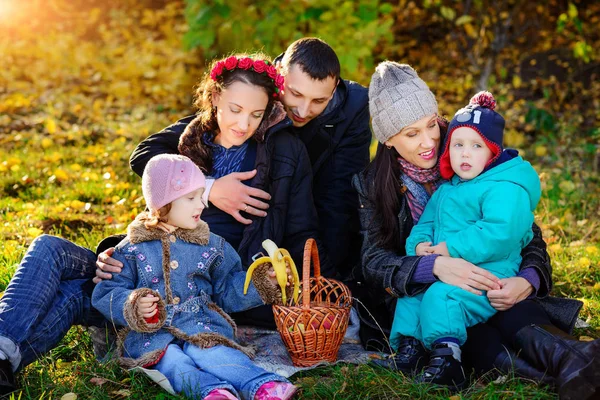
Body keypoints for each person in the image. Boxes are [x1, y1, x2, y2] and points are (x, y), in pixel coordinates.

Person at [0, 52, 320, 394]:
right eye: (235, 110)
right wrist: (212, 189)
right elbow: (145, 163)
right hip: (144, 264)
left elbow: (300, 231)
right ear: (215, 99)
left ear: (269, 111)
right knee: (50, 247)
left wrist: (278, 281)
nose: (243, 124)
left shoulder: (282, 150)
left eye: (256, 114)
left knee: (73, 295)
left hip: (190, 289)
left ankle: (5, 360)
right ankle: (3, 354)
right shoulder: (193, 135)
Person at [353, 61, 600, 399]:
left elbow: (523, 229)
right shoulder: (372, 183)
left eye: (431, 126)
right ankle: (559, 376)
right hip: (427, 295)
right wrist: (433, 265)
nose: (428, 142)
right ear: (388, 139)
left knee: (508, 306)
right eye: (412, 134)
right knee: (465, 336)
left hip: (493, 280)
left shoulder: (465, 150)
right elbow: (373, 261)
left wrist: (528, 279)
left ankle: (578, 359)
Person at [114, 37, 371, 283]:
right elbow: (148, 156)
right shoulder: (243, 101)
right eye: (295, 94)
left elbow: (337, 201)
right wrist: (209, 188)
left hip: (283, 228)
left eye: (318, 101)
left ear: (333, 90)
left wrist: (325, 281)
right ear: (279, 76)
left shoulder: (348, 112)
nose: (303, 110)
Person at [92, 154, 296, 400]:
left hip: (201, 323)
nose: (201, 205)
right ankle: (212, 392)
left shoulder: (211, 245)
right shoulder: (132, 249)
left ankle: (262, 384)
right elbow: (107, 292)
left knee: (213, 353)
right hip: (152, 334)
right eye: (191, 198)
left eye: (200, 196)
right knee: (171, 362)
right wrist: (134, 303)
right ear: (162, 204)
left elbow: (226, 289)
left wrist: (261, 283)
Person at [388, 91, 541, 389]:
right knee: (412, 293)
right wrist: (419, 247)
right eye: (458, 145)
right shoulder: (447, 190)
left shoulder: (505, 186)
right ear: (448, 151)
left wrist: (447, 249)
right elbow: (426, 225)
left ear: (492, 152)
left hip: (490, 273)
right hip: (449, 267)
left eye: (476, 146)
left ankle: (448, 359)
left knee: (441, 297)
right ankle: (410, 350)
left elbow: (500, 232)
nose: (465, 154)